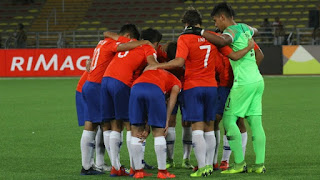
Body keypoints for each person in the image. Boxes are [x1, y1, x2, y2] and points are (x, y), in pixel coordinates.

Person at [145, 7, 254, 177]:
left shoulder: (185, 38)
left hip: (193, 87)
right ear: (200, 23)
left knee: (197, 128)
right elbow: (230, 57)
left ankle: (202, 167)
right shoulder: (213, 38)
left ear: (186, 23)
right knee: (210, 128)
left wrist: (157, 65)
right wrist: (248, 48)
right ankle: (210, 165)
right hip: (211, 87)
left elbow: (179, 61)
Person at [182, 2, 266, 174]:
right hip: (257, 81)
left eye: (215, 21)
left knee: (228, 120)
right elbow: (256, 31)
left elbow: (223, 40)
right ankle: (259, 165)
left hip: (242, 82)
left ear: (222, 17)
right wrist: (250, 31)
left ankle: (239, 163)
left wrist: (199, 31)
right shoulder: (244, 28)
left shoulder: (230, 32)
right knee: (255, 122)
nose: (215, 25)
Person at [80, 24, 150, 175]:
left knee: (99, 124)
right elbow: (124, 44)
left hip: (90, 84)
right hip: (98, 85)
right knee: (106, 125)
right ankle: (96, 166)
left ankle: (100, 164)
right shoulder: (114, 44)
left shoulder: (102, 42)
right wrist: (144, 43)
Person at [101, 28, 159, 177]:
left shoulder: (128, 42)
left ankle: (116, 167)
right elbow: (153, 64)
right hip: (121, 82)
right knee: (130, 124)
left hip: (106, 79)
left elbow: (107, 33)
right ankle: (135, 168)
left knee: (115, 124)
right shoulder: (147, 47)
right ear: (154, 43)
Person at [129, 68, 180, 179]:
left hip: (135, 88)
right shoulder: (177, 82)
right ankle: (162, 171)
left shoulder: (153, 72)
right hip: (155, 90)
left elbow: (148, 110)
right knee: (159, 132)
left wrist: (147, 128)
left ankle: (138, 171)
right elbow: (172, 101)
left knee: (136, 130)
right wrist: (166, 120)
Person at [156, 42, 194, 170]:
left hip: (185, 90)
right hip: (171, 90)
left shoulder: (165, 57)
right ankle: (170, 159)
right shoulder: (163, 57)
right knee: (173, 122)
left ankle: (186, 159)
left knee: (186, 123)